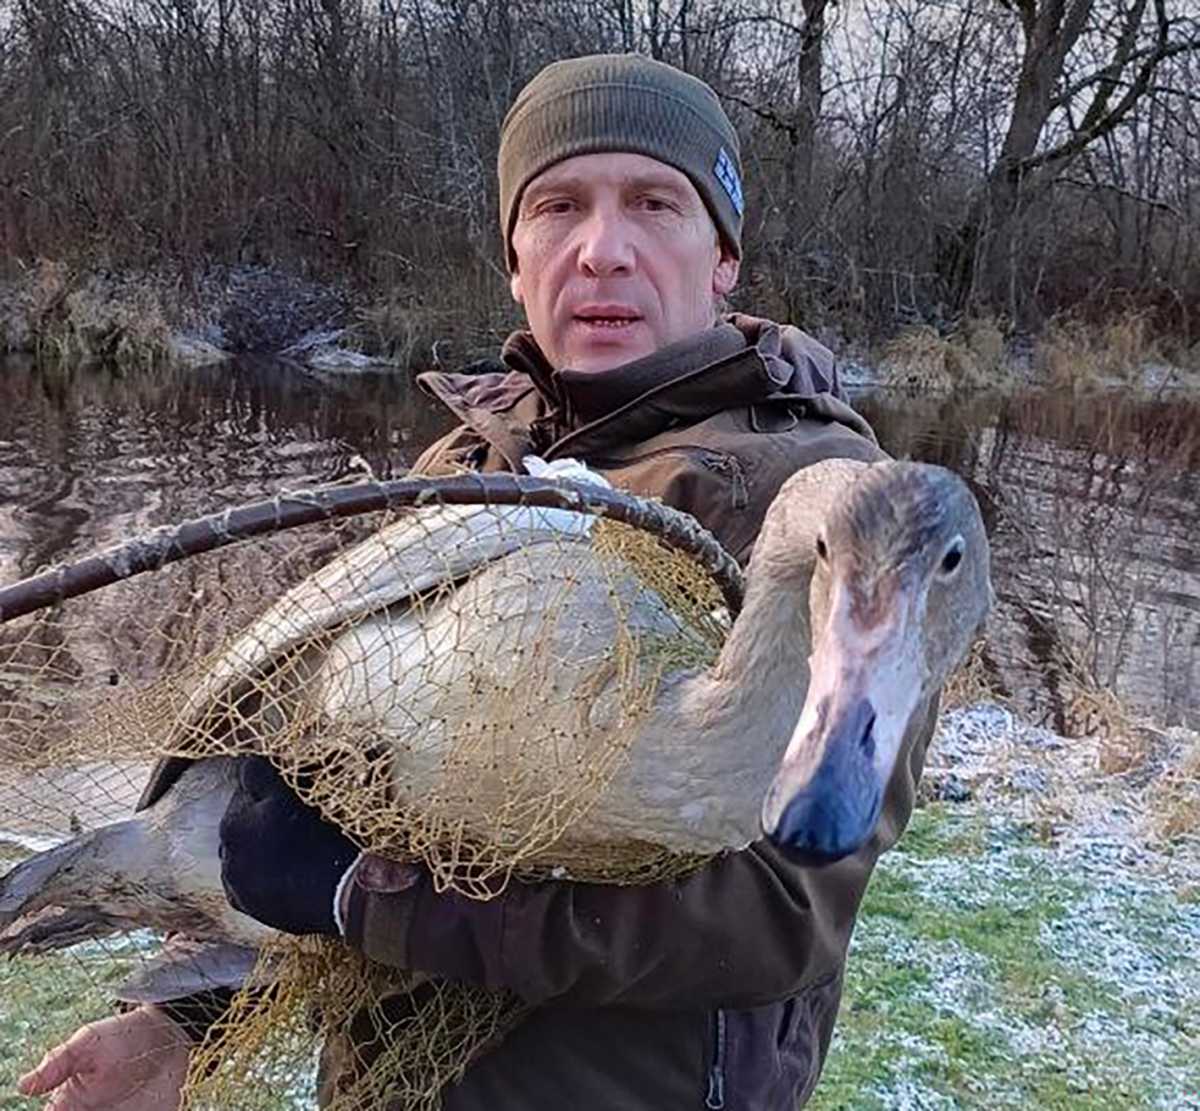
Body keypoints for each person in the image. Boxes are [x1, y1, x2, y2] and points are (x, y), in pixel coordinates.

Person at [19, 54, 936, 1111]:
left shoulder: (825, 521)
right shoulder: (469, 470)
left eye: (655, 204)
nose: (601, 251)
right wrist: (187, 1019)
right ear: (513, 255)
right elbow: (338, 802)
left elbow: (778, 911)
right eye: (558, 207)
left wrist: (363, 899)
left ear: (722, 254)